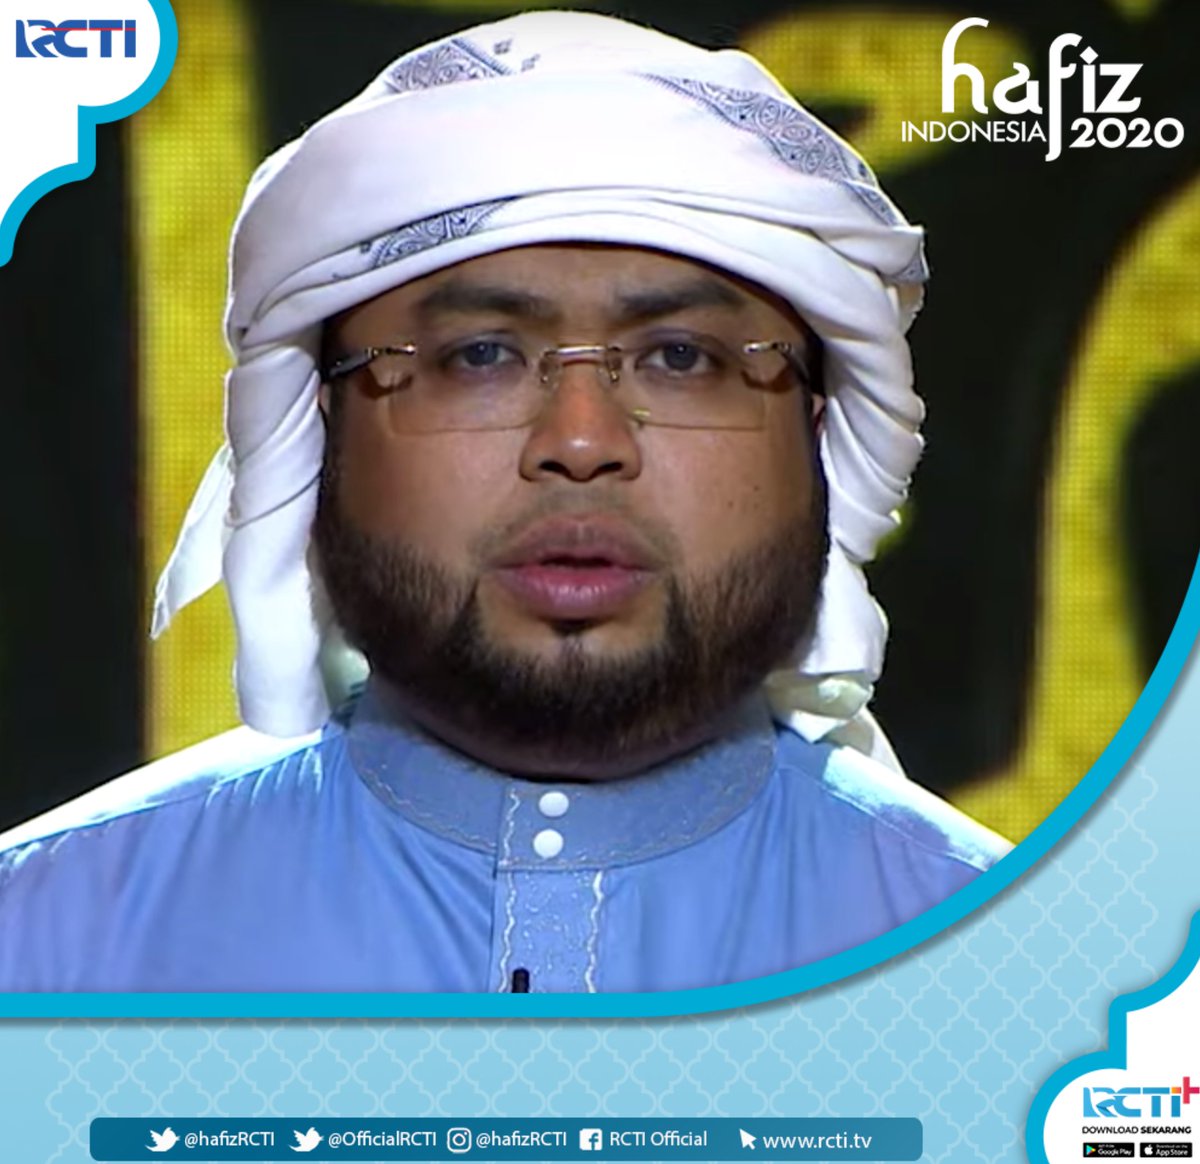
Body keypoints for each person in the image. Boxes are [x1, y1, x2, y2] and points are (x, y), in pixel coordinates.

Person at [0, 11, 1009, 993]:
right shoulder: (41, 949)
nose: (582, 442)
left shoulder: (1029, 976)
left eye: (680, 358)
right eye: (480, 356)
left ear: (819, 433)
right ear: (319, 432)